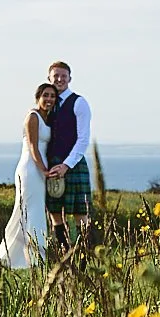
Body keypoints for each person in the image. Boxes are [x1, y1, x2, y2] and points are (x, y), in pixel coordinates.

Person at [0, 82, 58, 268]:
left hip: (39, 168)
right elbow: (32, 147)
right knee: (28, 210)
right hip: (31, 169)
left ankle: (31, 256)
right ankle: (25, 258)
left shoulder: (47, 118)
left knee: (35, 210)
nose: (49, 99)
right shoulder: (33, 116)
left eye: (52, 96)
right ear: (38, 97)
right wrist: (44, 170)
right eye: (45, 95)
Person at [42, 60, 93, 248]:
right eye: (56, 76)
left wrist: (67, 165)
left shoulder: (79, 103)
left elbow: (83, 139)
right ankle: (65, 255)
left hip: (73, 163)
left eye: (63, 76)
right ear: (49, 78)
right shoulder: (47, 104)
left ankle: (84, 259)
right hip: (52, 165)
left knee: (81, 214)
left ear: (70, 78)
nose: (60, 79)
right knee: (55, 213)